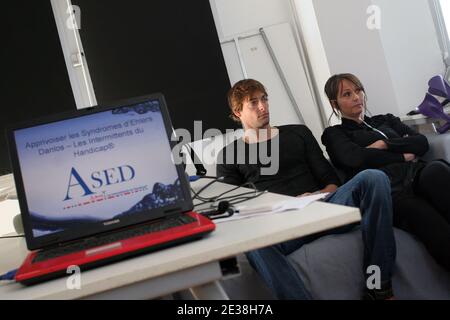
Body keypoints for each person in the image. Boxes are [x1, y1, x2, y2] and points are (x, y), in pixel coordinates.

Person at [216, 79, 396, 300]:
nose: (263, 106)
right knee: (252, 243)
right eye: (253, 103)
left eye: (264, 99)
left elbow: (331, 182)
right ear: (238, 111)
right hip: (281, 226)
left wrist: (315, 196)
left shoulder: (297, 133)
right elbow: (233, 214)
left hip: (322, 208)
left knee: (373, 177)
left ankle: (379, 287)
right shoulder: (229, 155)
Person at [321, 73, 450, 272]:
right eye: (347, 94)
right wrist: (400, 155)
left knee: (438, 173)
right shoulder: (334, 134)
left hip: (416, 173)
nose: (356, 97)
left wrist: (383, 144)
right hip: (390, 191)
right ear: (334, 104)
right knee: (422, 214)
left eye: (358, 90)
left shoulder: (386, 120)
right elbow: (355, 158)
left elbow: (420, 142)